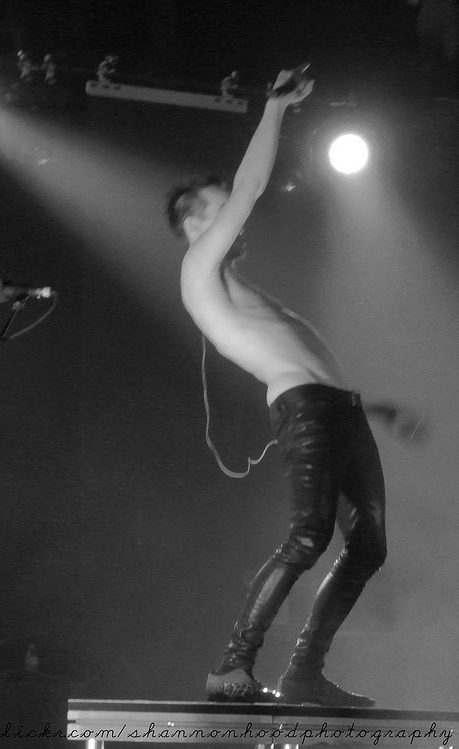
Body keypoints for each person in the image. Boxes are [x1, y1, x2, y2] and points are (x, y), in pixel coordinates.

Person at [167, 69, 416, 706]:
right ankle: (233, 666)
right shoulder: (198, 267)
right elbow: (252, 186)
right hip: (307, 410)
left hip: (336, 409)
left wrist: (374, 407)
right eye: (223, 205)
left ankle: (305, 670)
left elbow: (305, 359)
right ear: (195, 222)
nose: (239, 213)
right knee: (308, 536)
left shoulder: (241, 287)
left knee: (369, 546)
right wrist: (275, 109)